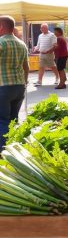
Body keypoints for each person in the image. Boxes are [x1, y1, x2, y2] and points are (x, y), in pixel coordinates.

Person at [0, 15, 28, 147]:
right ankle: (15, 147)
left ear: (1, 27)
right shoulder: (21, 43)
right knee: (13, 120)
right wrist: (25, 82)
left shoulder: (1, 43)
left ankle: (4, 151)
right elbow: (26, 67)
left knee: (2, 121)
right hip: (19, 86)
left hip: (3, 87)